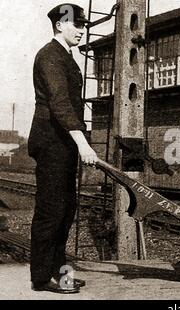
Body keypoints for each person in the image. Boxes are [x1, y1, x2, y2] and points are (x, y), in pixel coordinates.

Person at [28, 3, 99, 294]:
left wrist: (78, 141)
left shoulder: (67, 56)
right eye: (76, 25)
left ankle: (59, 272)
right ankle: (41, 279)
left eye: (83, 26)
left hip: (64, 142)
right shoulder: (49, 56)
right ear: (60, 25)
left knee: (66, 209)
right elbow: (59, 103)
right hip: (52, 141)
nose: (81, 31)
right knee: (51, 210)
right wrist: (83, 142)